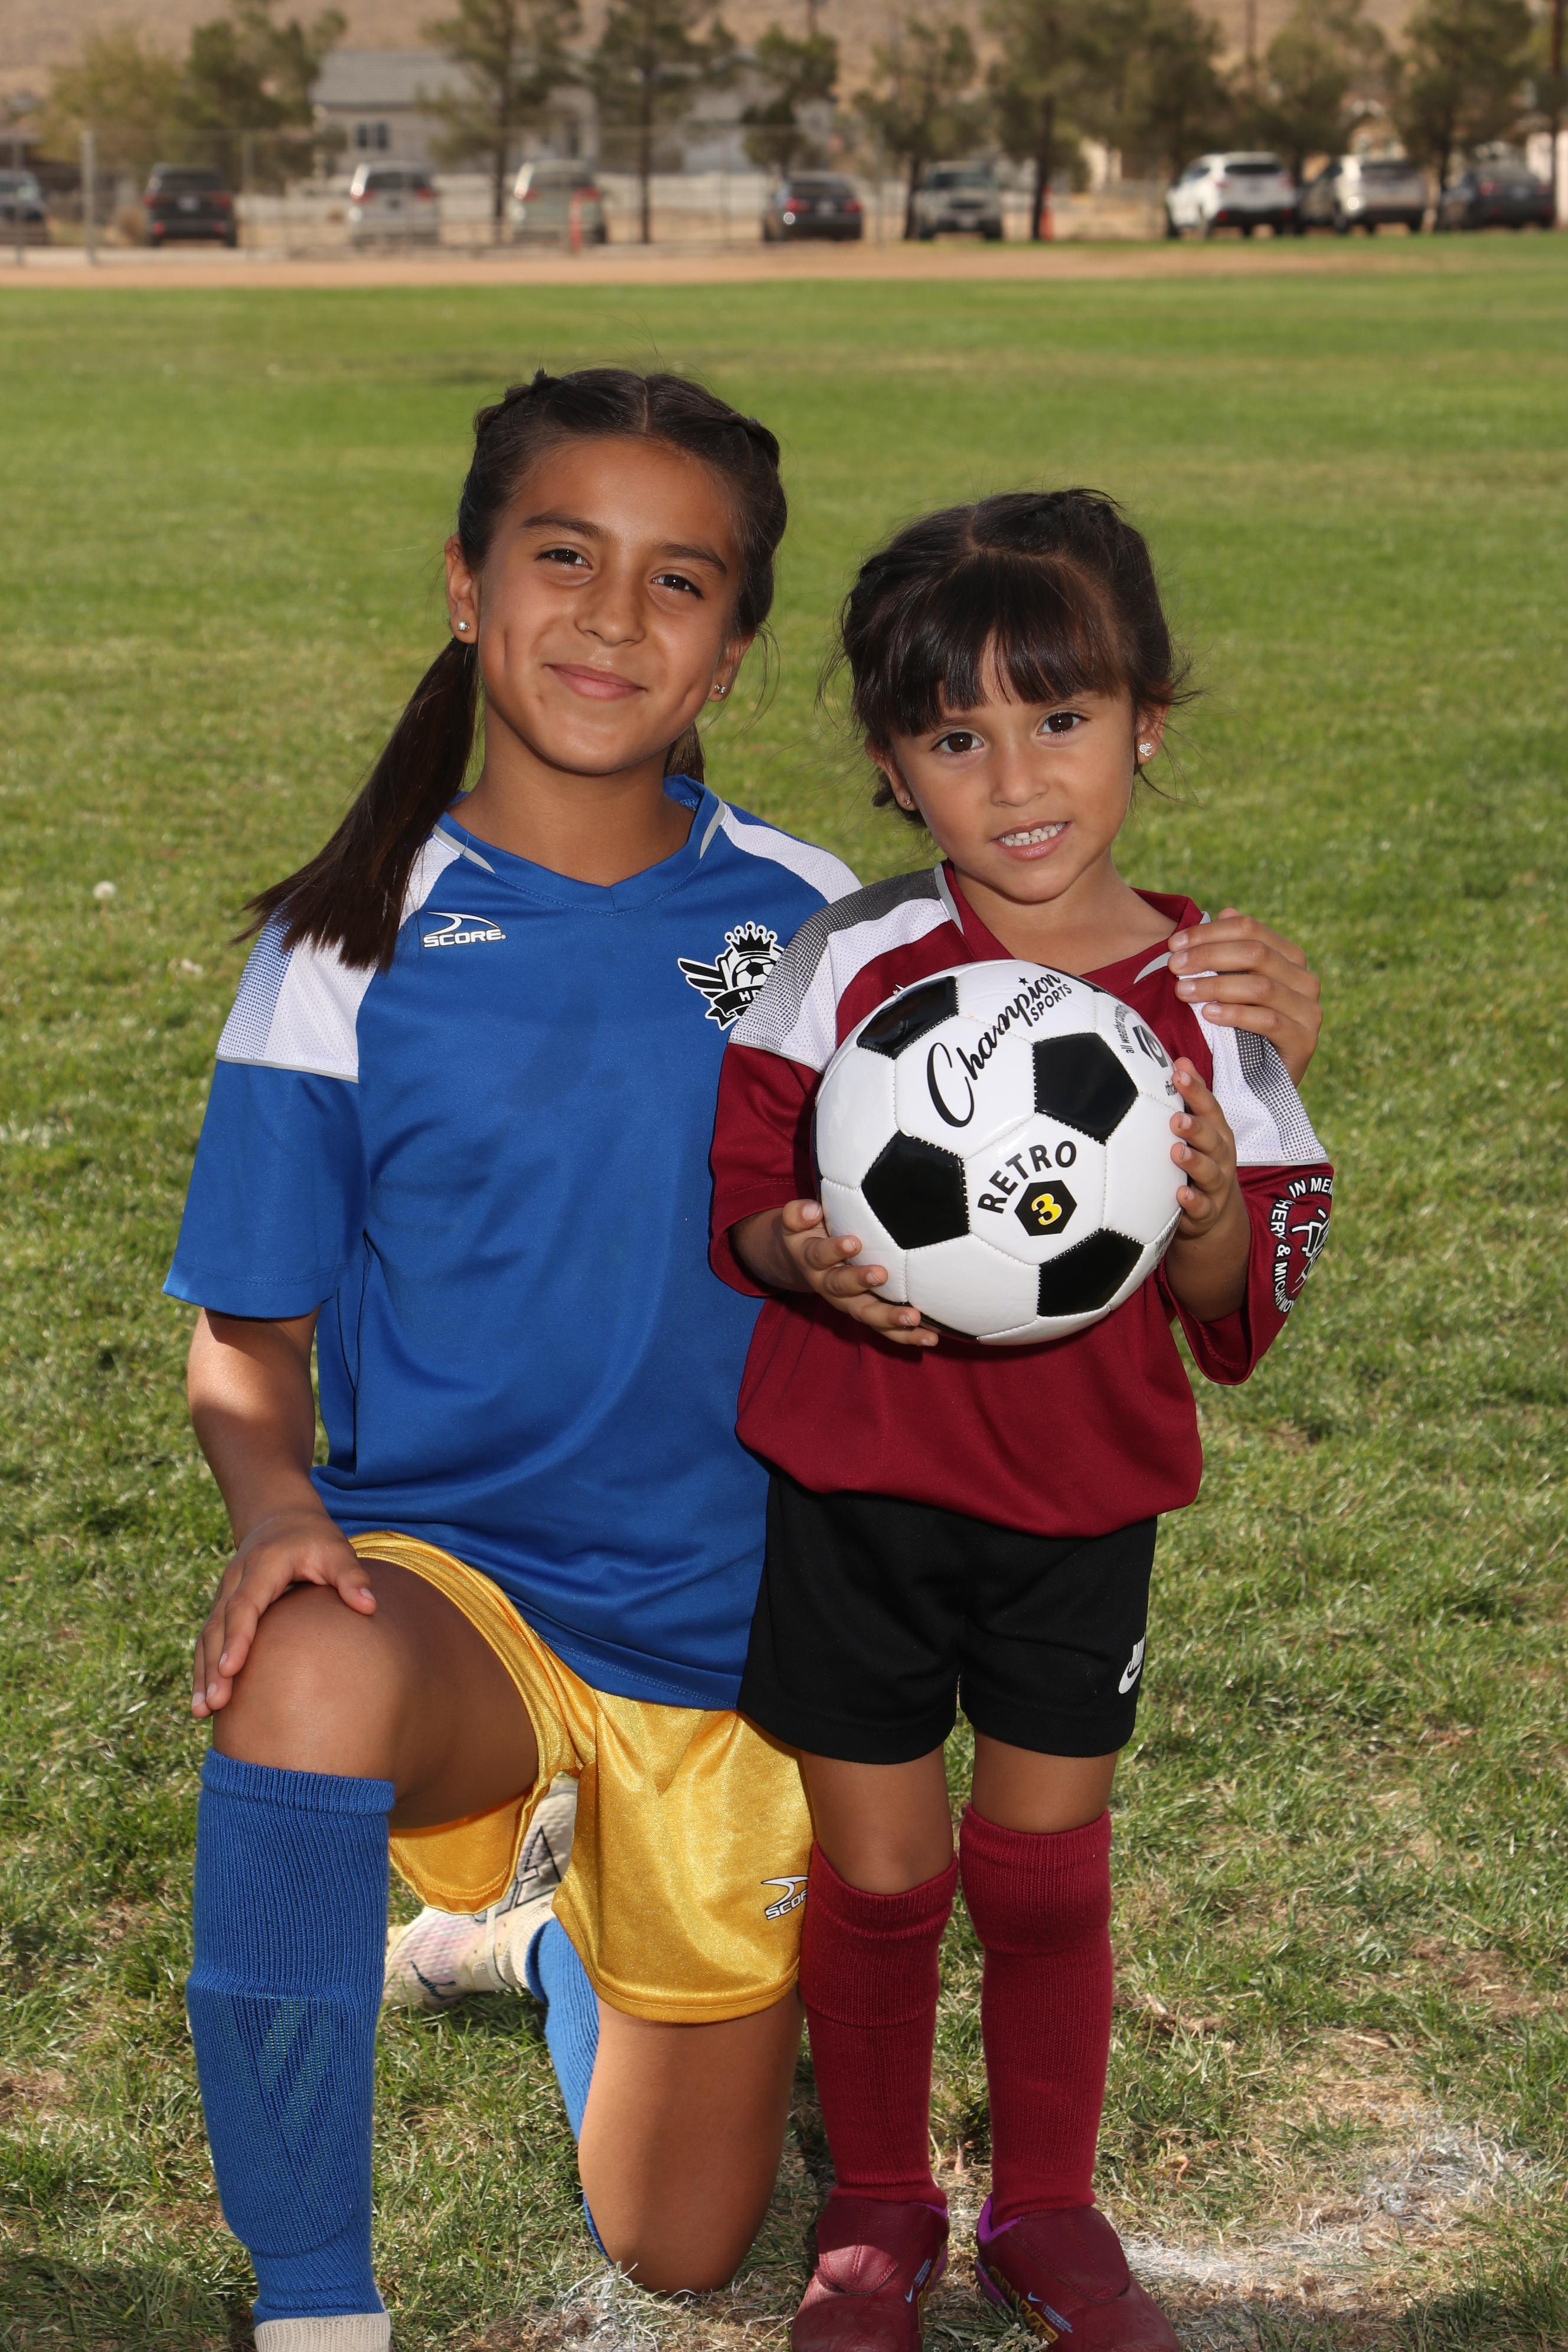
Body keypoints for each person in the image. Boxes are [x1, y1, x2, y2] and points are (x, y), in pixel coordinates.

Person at [166, 366, 860, 2352]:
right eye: (565, 558)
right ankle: (315, 2303)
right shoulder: (346, 945)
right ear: (470, 586)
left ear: (733, 645)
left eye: (679, 581)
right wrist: (276, 1507)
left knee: (683, 2245)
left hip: (737, 1638)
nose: (613, 618)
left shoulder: (817, 922)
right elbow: (248, 1337)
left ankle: (553, 1937)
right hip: (460, 1607)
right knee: (301, 1662)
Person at [708, 490, 1334, 2352]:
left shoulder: (1218, 997)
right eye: (956, 738)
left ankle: (1049, 2208)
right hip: (857, 1492)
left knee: (1045, 1880)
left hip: (1078, 1507)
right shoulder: (844, 962)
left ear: (1148, 723)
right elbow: (743, 1192)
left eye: (1061, 718)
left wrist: (1205, 1204)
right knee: (885, 1872)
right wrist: (801, 1253)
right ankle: (878, 2204)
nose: (1018, 777)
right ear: (894, 769)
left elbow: (1234, 1304)